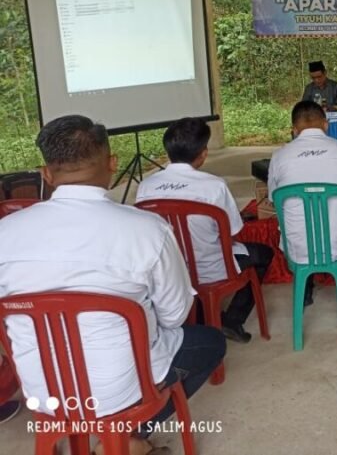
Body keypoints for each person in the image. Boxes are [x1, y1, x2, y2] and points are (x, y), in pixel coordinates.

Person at [0, 115, 225, 455]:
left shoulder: (5, 233)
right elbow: (176, 314)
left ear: (45, 174)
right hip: (121, 391)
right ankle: (127, 438)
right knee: (210, 343)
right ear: (112, 164)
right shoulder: (148, 230)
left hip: (43, 389)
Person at [136, 117, 273, 344]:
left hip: (167, 271)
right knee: (263, 254)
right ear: (203, 153)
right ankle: (232, 320)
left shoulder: (146, 186)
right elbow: (233, 233)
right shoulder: (214, 186)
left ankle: (199, 316)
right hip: (211, 269)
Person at [268, 101, 337, 306]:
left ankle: (306, 288)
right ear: (326, 125)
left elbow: (276, 203)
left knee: (300, 223)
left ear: (294, 130)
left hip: (298, 250)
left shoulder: (279, 156)